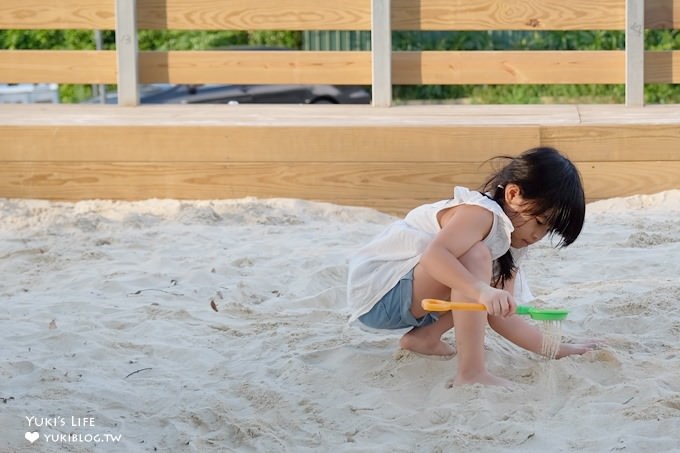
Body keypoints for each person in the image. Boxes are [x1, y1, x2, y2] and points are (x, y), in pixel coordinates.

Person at [347, 146, 598, 386]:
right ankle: (471, 373)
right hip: (380, 292)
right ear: (513, 194)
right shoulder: (481, 213)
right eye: (540, 221)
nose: (538, 236)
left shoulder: (512, 241)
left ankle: (425, 337)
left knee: (482, 278)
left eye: (548, 230)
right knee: (477, 257)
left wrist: (558, 349)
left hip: (413, 300)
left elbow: (503, 319)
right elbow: (435, 256)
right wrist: (482, 291)